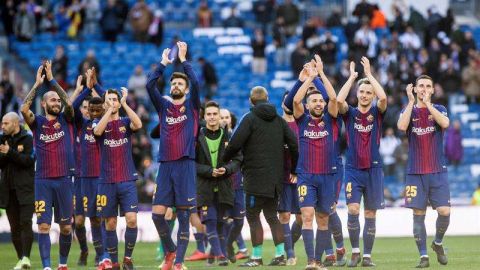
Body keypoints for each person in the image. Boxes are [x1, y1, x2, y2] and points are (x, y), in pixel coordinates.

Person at [223, 86, 299, 267]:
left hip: (254, 180)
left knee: (253, 217)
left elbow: (234, 143)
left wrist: (224, 160)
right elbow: (294, 145)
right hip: (275, 181)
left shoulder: (249, 119)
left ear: (251, 101)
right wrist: (294, 170)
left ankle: (256, 257)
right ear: (268, 99)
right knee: (272, 217)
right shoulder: (280, 121)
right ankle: (280, 255)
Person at [284, 58, 347, 267]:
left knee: (323, 219)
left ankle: (318, 261)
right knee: (307, 215)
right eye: (314, 101)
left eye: (320, 101)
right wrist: (309, 78)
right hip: (306, 176)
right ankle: (311, 260)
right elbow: (294, 102)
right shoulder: (302, 119)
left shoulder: (332, 119)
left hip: (328, 177)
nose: (319, 103)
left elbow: (334, 98)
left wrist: (320, 74)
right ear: (308, 105)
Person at [146, 41, 201, 270]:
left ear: (186, 89)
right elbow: (150, 86)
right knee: (157, 216)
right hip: (165, 166)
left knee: (184, 216)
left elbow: (196, 81)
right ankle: (170, 252)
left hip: (185, 165)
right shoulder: (164, 107)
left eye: (180, 83)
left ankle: (178, 263)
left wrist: (184, 60)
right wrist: (163, 64)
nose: (176, 85)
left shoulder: (192, 106)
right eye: (174, 83)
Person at [21, 61, 75, 270]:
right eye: (52, 99)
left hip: (63, 180)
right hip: (42, 181)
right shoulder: (38, 123)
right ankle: (46, 267)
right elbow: (24, 108)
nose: (56, 102)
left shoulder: (66, 118)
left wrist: (52, 80)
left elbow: (69, 104)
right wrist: (37, 85)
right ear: (44, 104)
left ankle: (62, 264)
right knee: (43, 226)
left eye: (57, 99)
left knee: (66, 228)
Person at [337, 57, 387, 267]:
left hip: (374, 170)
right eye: (362, 92)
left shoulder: (377, 112)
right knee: (353, 210)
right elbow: (338, 102)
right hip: (353, 169)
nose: (365, 95)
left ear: (372, 95)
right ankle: (355, 251)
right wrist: (352, 78)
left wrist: (369, 76)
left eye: (369, 92)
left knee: (370, 212)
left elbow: (384, 97)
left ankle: (367, 256)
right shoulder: (351, 114)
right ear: (356, 94)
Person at [397, 75, 451, 268]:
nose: (424, 89)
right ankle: (423, 257)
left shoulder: (440, 109)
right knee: (418, 214)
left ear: (433, 90)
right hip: (415, 172)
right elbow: (401, 127)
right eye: (421, 86)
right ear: (415, 89)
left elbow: (445, 124)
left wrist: (428, 105)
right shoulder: (407, 110)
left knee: (444, 212)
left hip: (437, 171)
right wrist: (411, 102)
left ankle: (437, 243)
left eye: (428, 86)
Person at [93, 87, 143, 270]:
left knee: (131, 220)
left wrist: (124, 104)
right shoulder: (98, 122)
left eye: (115, 99)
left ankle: (128, 259)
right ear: (104, 102)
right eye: (110, 99)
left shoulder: (124, 121)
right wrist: (108, 111)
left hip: (127, 179)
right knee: (111, 222)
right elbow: (97, 132)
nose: (113, 102)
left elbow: (138, 125)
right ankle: (114, 262)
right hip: (106, 181)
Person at [69, 69, 108, 268]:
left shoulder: (105, 123)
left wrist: (95, 87)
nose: (86, 110)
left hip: (100, 178)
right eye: (85, 107)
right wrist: (84, 89)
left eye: (90, 107)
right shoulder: (80, 125)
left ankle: (101, 254)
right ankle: (84, 250)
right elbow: (71, 106)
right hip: (81, 179)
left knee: (96, 219)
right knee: (78, 221)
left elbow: (109, 102)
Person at [196, 101, 242, 266]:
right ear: (204, 116)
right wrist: (209, 171)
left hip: (224, 185)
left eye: (215, 114)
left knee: (222, 223)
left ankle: (216, 252)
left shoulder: (228, 136)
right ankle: (221, 255)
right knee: (210, 221)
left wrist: (227, 169)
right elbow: (192, 163)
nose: (213, 117)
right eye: (209, 114)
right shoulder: (198, 135)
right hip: (205, 186)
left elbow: (238, 159)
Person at [0, 112, 35, 270]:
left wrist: (10, 152)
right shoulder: (1, 139)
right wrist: (11, 154)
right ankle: (21, 258)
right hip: (8, 190)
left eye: (6, 123)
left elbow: (28, 161)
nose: (3, 126)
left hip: (25, 189)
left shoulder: (28, 139)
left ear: (15, 124)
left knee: (25, 223)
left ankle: (26, 258)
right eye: (2, 123)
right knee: (14, 227)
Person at [220, 109, 250, 262]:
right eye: (221, 117)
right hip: (220, 185)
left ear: (230, 119)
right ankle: (224, 253)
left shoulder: (239, 137)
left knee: (239, 220)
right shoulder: (214, 137)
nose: (224, 120)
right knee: (223, 220)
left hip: (238, 184)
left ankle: (229, 245)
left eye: (226, 117)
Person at [278, 91, 301, 266]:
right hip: (282, 177)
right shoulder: (276, 124)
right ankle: (290, 254)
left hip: (301, 176)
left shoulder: (303, 123)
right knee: (284, 215)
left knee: (301, 218)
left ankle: (288, 246)